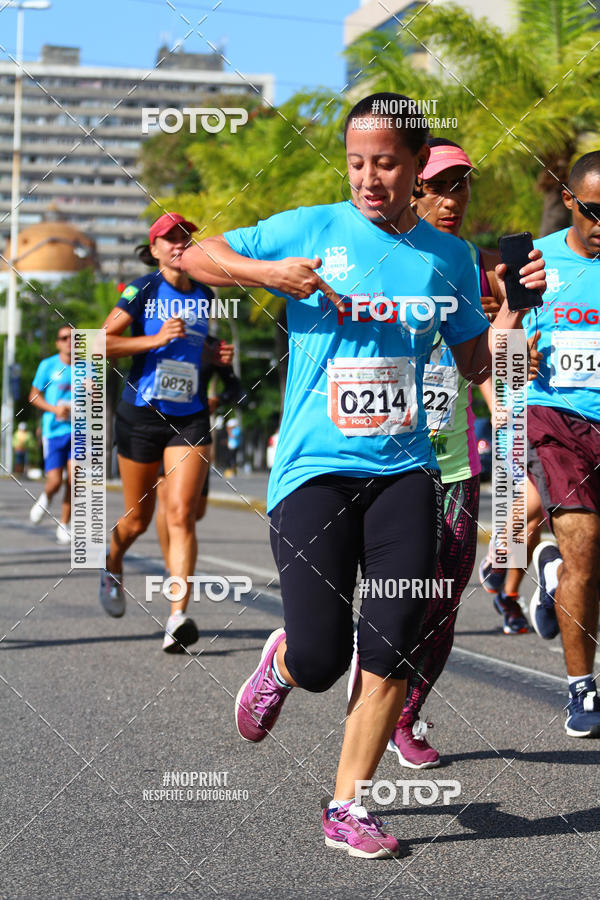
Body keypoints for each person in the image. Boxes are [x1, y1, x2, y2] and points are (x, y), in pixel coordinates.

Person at [180, 93, 545, 858]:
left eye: (385, 164)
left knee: (391, 642)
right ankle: (282, 661)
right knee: (320, 659)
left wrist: (513, 331)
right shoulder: (312, 226)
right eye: (355, 163)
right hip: (315, 469)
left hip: (407, 470)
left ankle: (348, 803)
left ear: (416, 168)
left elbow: (477, 359)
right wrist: (268, 272)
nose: (368, 178)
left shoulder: (448, 257)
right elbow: (196, 252)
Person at [378, 136, 545, 773]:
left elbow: (484, 350)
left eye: (462, 187)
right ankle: (333, 667)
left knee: (442, 606)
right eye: (440, 187)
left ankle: (405, 713)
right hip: (376, 456)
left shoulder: (473, 269)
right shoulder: (373, 254)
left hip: (449, 457)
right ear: (413, 187)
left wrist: (504, 381)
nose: (452, 200)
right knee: (382, 601)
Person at [100, 212, 214, 653]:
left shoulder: (205, 294)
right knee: (136, 521)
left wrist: (215, 357)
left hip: (189, 416)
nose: (180, 243)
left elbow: (192, 350)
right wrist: (153, 340)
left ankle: (177, 616)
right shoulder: (142, 289)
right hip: (141, 416)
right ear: (155, 248)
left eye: (186, 236)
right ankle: (111, 560)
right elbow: (99, 342)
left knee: (181, 513)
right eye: (171, 238)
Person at [523, 150, 600, 737]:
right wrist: (514, 356)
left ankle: (552, 579)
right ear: (571, 201)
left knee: (589, 564)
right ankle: (582, 688)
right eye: (594, 212)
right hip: (556, 417)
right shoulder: (533, 262)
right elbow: (496, 348)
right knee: (585, 545)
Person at [154, 333, 242, 571]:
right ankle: (171, 568)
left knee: (195, 511)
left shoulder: (212, 344)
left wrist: (218, 399)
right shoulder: (156, 335)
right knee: (168, 503)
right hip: (160, 427)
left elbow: (235, 387)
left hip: (195, 428)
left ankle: (177, 557)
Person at [29, 325, 73, 544]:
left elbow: (96, 398)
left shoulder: (87, 367)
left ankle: (64, 524)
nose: (69, 341)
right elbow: (34, 396)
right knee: (55, 481)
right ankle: (46, 497)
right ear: (58, 342)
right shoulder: (48, 365)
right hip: (54, 430)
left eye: (73, 338)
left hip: (79, 430)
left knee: (75, 480)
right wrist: (55, 409)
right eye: (64, 338)